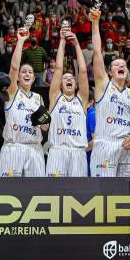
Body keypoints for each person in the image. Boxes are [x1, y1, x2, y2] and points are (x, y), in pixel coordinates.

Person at [88, 4, 130, 177]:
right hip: (105, 145)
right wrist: (95, 23)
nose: (121, 65)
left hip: (126, 146)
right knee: (103, 195)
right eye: (117, 64)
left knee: (126, 197)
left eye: (124, 65)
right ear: (110, 72)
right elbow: (96, 53)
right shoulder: (103, 85)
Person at [0, 28, 49, 177]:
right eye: (24, 71)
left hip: (35, 149)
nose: (27, 74)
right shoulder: (13, 92)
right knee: (9, 192)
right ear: (18, 78)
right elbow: (13, 68)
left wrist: (44, 121)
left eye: (30, 72)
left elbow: (45, 127)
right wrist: (20, 41)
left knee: (36, 193)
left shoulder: (39, 99)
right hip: (14, 148)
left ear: (33, 78)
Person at [45, 29, 90, 177]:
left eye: (71, 78)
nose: (69, 79)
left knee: (78, 196)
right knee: (53, 194)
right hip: (57, 152)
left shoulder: (81, 99)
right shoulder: (55, 97)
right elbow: (58, 69)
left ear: (76, 84)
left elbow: (83, 71)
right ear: (59, 83)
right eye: (65, 78)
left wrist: (76, 44)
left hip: (78, 153)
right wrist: (63, 41)